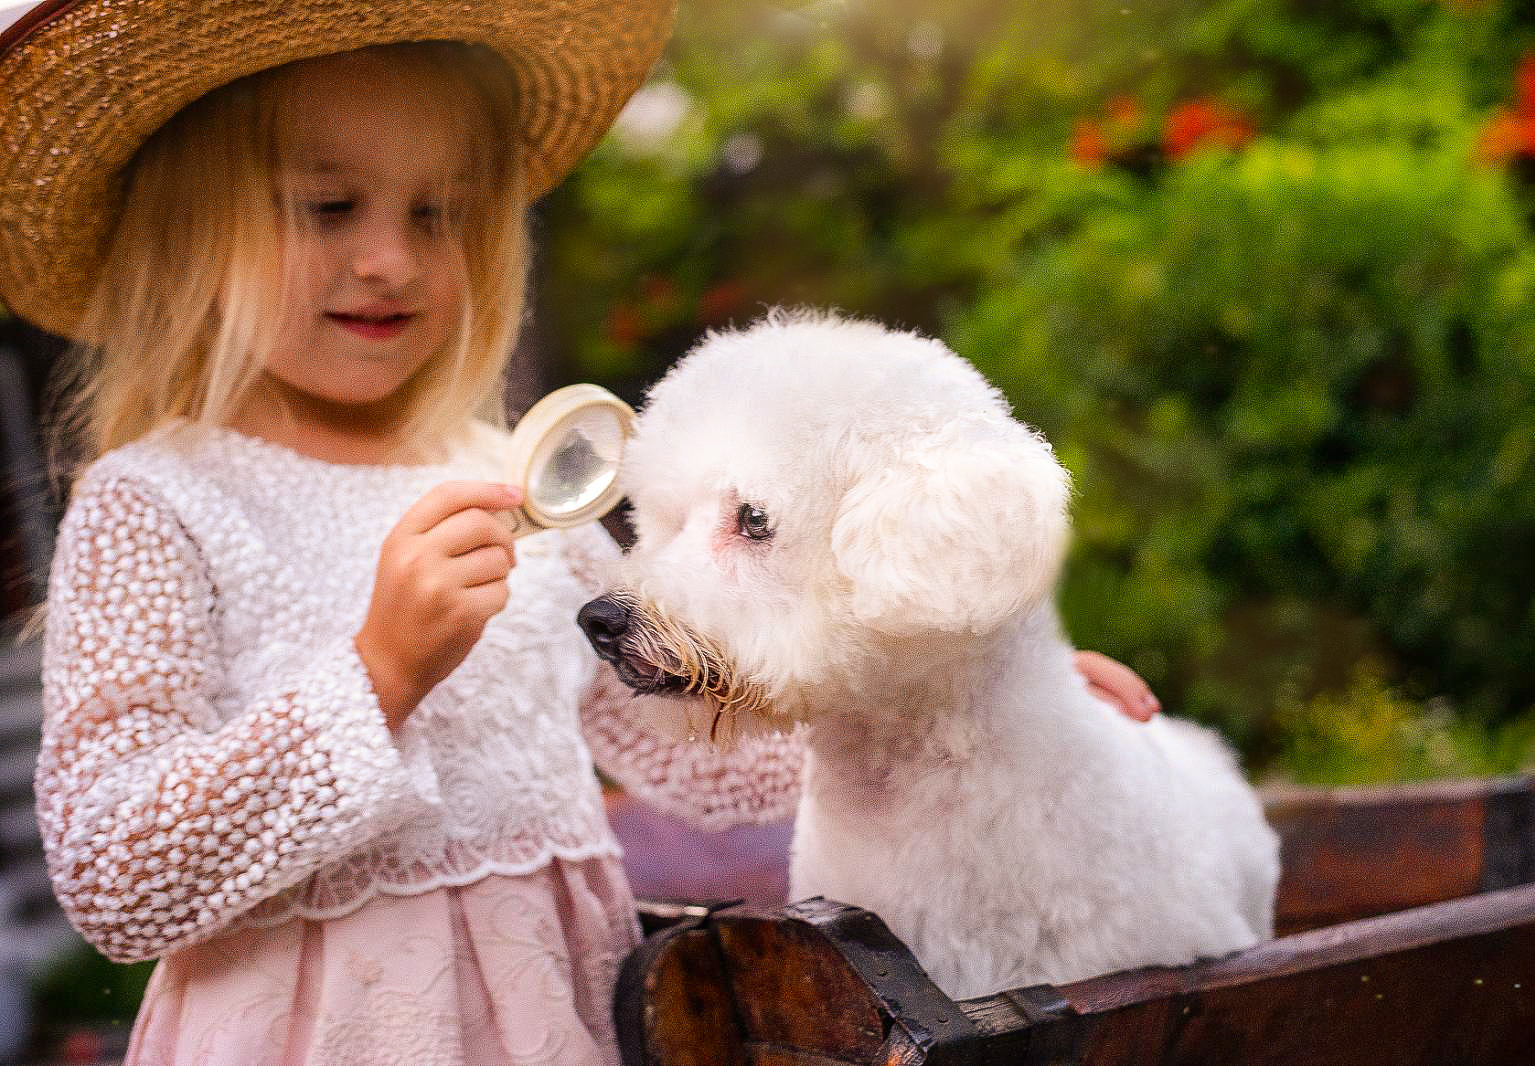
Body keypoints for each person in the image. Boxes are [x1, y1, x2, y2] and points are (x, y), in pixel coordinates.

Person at [0, 2, 1157, 1062]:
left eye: (437, 212)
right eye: (329, 205)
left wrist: (958, 702)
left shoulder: (508, 485)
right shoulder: (157, 504)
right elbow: (116, 880)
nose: (392, 258)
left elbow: (701, 738)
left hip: (557, 1024)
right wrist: (377, 675)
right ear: (187, 231)